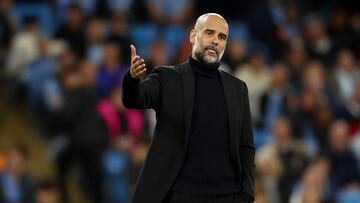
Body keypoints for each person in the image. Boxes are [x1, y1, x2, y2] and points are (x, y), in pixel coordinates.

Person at [122, 13, 255, 203]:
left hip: (228, 196)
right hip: (179, 195)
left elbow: (246, 146)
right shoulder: (166, 77)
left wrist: (247, 193)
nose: (215, 41)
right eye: (209, 33)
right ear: (193, 36)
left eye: (222, 37)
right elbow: (135, 99)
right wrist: (133, 79)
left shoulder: (237, 88)